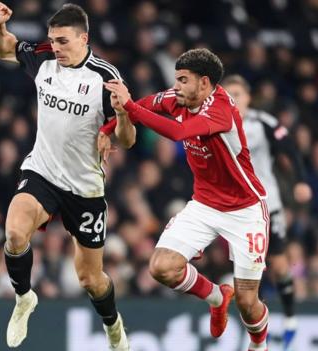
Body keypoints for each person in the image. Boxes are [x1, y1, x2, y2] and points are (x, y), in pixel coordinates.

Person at [0, 2, 135, 350]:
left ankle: (113, 326)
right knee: (13, 232)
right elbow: (5, 47)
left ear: (84, 38)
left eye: (64, 41)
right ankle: (24, 297)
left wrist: (122, 114)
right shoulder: (44, 58)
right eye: (52, 40)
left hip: (84, 189)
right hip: (42, 170)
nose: (56, 47)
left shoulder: (105, 77)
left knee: (90, 279)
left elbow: (127, 141)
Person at [102, 48, 270, 350]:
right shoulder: (177, 97)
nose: (175, 86)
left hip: (245, 209)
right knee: (161, 267)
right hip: (204, 204)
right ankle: (218, 297)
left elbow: (179, 132)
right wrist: (108, 128)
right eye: (175, 79)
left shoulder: (220, 110)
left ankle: (259, 345)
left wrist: (129, 106)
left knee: (247, 302)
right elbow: (141, 105)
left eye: (182, 80)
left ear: (204, 83)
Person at [222, 74, 312, 350]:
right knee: (248, 272)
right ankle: (256, 332)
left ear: (248, 97)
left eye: (238, 92)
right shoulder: (216, 124)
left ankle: (290, 318)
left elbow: (289, 149)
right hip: (236, 211)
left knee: (279, 265)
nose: (234, 98)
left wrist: (300, 181)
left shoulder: (263, 123)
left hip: (266, 205)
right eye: (229, 93)